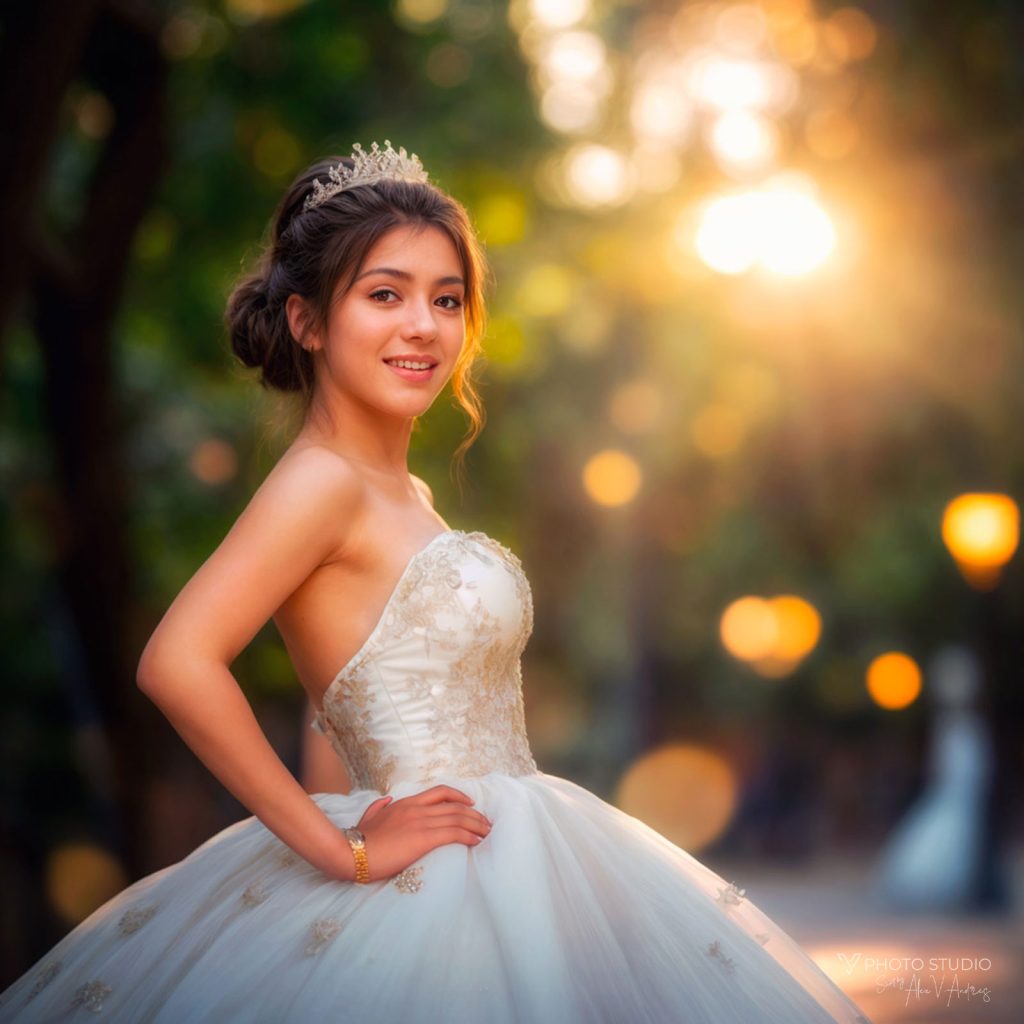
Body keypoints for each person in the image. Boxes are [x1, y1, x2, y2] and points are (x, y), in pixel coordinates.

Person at [0, 141, 873, 1023]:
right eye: (386, 294)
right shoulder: (321, 482)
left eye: (446, 300)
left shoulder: (405, 492)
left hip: (501, 847)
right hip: (439, 874)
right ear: (306, 321)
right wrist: (339, 851)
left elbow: (338, 698)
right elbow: (177, 661)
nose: (424, 326)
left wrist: (343, 806)